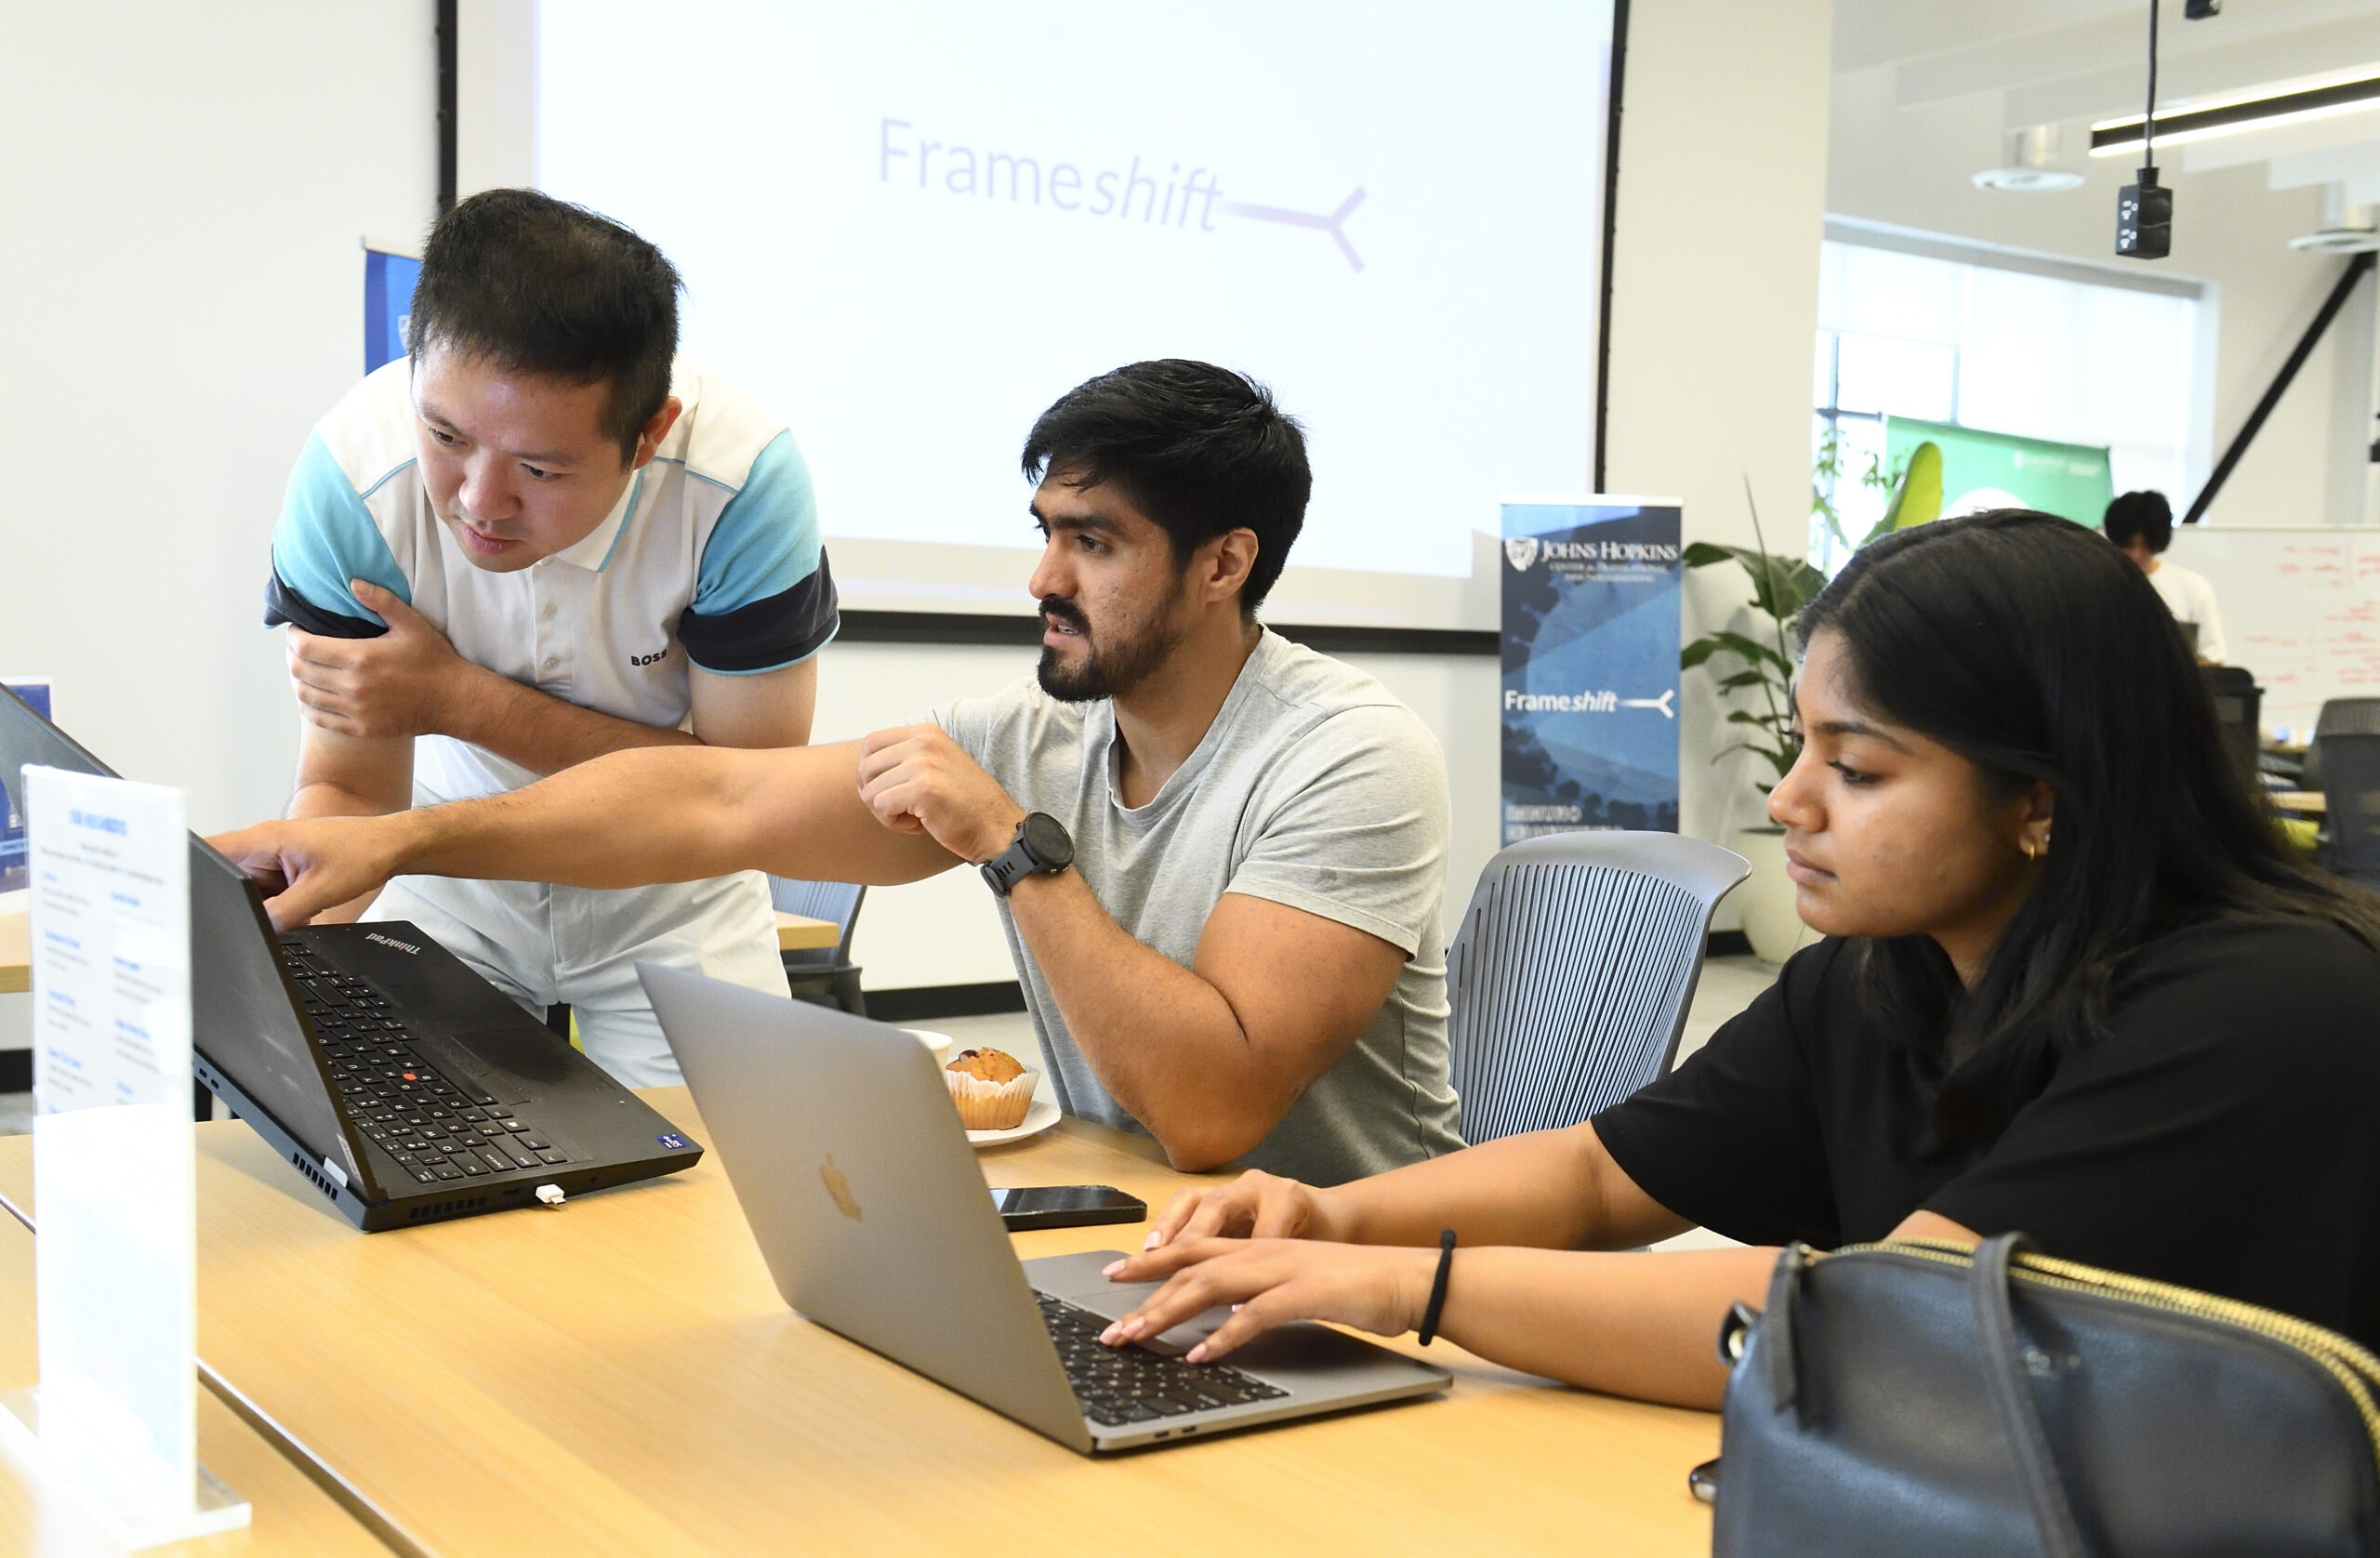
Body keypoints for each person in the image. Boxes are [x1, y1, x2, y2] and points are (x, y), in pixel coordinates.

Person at [1094, 508, 2380, 1407]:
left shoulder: (2268, 1003)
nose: (1788, 799)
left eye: (1858, 767)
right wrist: (1336, 1214)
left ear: (2042, 798)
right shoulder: (1886, 975)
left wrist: (1406, 1282)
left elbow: (1878, 1321)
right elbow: (1606, 1176)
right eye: (1807, 745)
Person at [218, 360, 1465, 1184]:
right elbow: (713, 798)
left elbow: (1212, 1108)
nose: (1043, 580)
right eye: (1046, 536)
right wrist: (396, 842)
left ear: (1221, 564)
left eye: (1093, 544)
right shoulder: (1029, 735)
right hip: (1146, 1238)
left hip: (1358, 1281)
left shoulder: (1349, 757)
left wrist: (1010, 846)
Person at [262, 190, 837, 1088]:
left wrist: (454, 696)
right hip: (445, 872)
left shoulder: (740, 484)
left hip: (676, 885)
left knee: (719, 1199)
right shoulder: (350, 474)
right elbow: (347, 788)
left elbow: (744, 793)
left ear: (648, 435)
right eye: (446, 435)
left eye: (540, 468)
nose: (478, 502)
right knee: (410, 1157)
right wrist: (296, 989)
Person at [2104, 488, 2226, 663]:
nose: (2137, 554)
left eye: (2147, 545)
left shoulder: (2193, 588)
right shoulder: (2096, 585)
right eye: (2128, 545)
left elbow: (2214, 655)